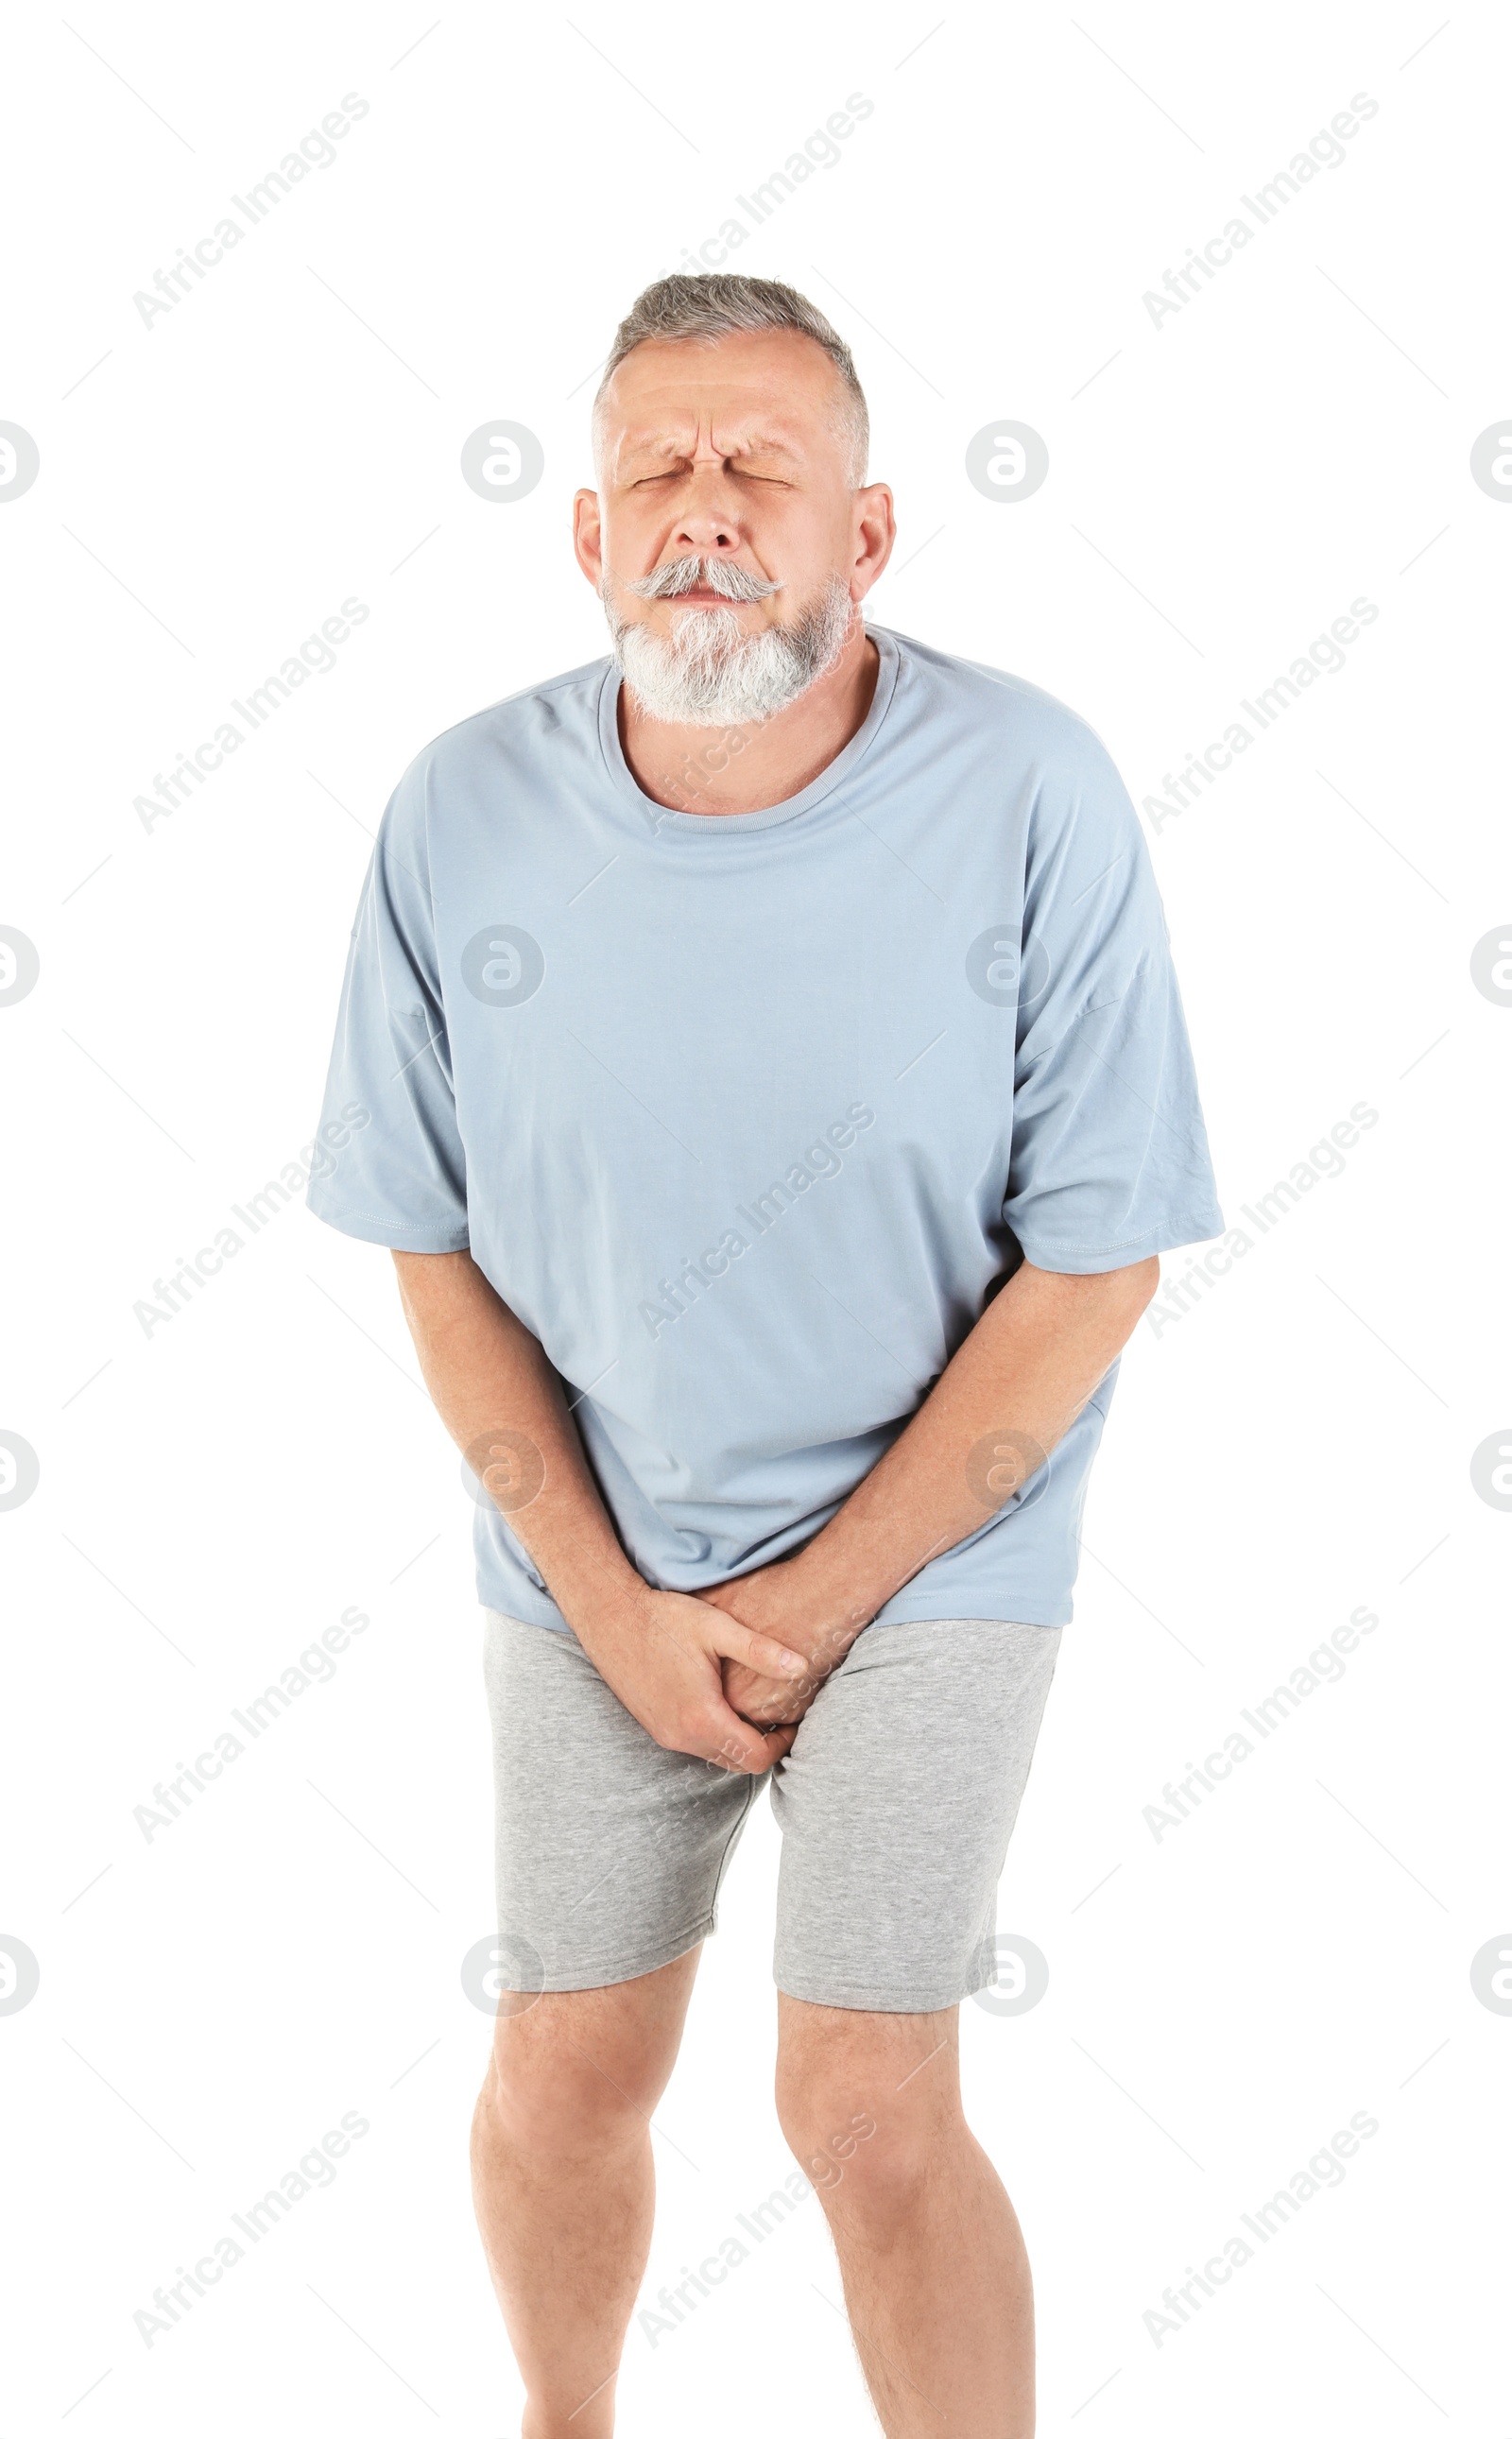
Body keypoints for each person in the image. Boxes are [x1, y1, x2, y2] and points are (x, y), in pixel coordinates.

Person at [308, 272, 1223, 2438]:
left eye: (758, 471)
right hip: (591, 1548)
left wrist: (817, 1600)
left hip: (937, 1550)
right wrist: (618, 1612)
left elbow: (1095, 1268)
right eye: (656, 473)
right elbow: (428, 1251)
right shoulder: (454, 817)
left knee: (864, 2099)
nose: (702, 511)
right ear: (589, 536)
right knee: (558, 2080)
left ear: (867, 537)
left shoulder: (1031, 789)